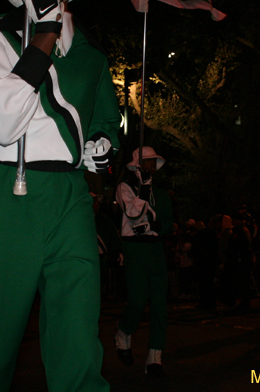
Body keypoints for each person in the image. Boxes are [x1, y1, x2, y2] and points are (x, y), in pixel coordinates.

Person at [0, 0, 120, 392]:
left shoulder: (90, 52)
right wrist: (43, 35)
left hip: (70, 194)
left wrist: (103, 147)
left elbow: (106, 119)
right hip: (8, 188)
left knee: (78, 324)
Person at [114, 147, 173, 377]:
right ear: (136, 165)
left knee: (160, 305)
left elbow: (166, 222)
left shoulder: (162, 193)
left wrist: (158, 224)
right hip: (135, 249)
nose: (151, 166)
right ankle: (123, 332)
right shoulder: (124, 188)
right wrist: (145, 193)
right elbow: (133, 213)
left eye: (153, 162)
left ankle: (155, 355)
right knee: (137, 300)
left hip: (155, 249)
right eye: (147, 162)